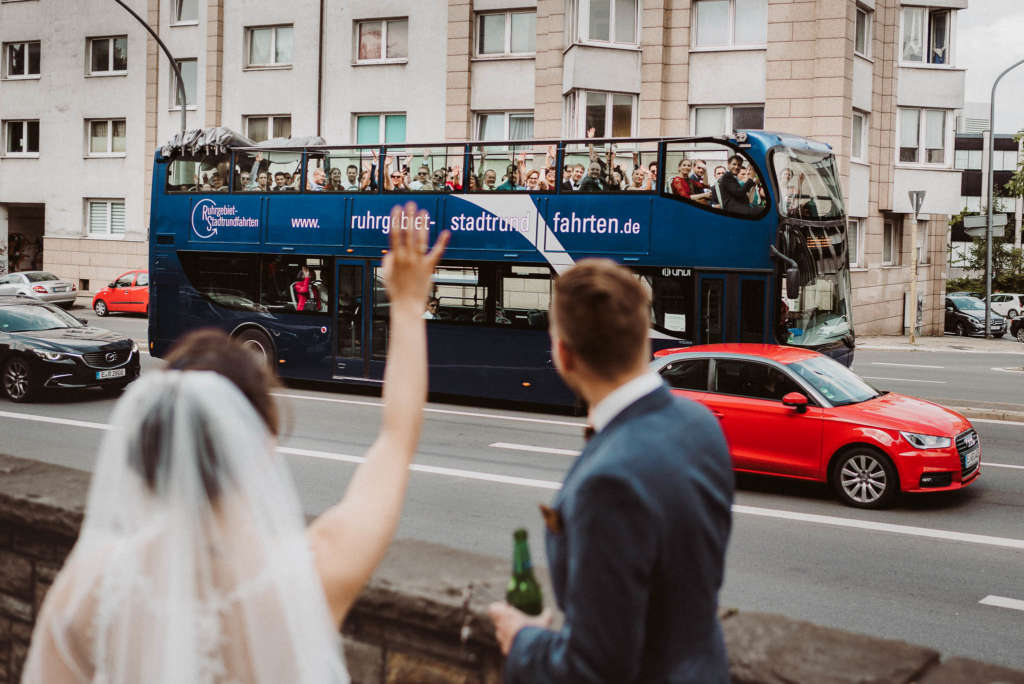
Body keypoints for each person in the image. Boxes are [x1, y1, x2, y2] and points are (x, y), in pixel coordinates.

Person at [21, 203, 450, 684]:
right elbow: (396, 442)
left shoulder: (90, 591)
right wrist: (409, 306)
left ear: (145, 449)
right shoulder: (305, 577)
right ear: (260, 442)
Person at [488, 259, 734, 684]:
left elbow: (594, 669)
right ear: (643, 337)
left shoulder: (608, 484)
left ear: (563, 354)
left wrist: (523, 639)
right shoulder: (701, 424)